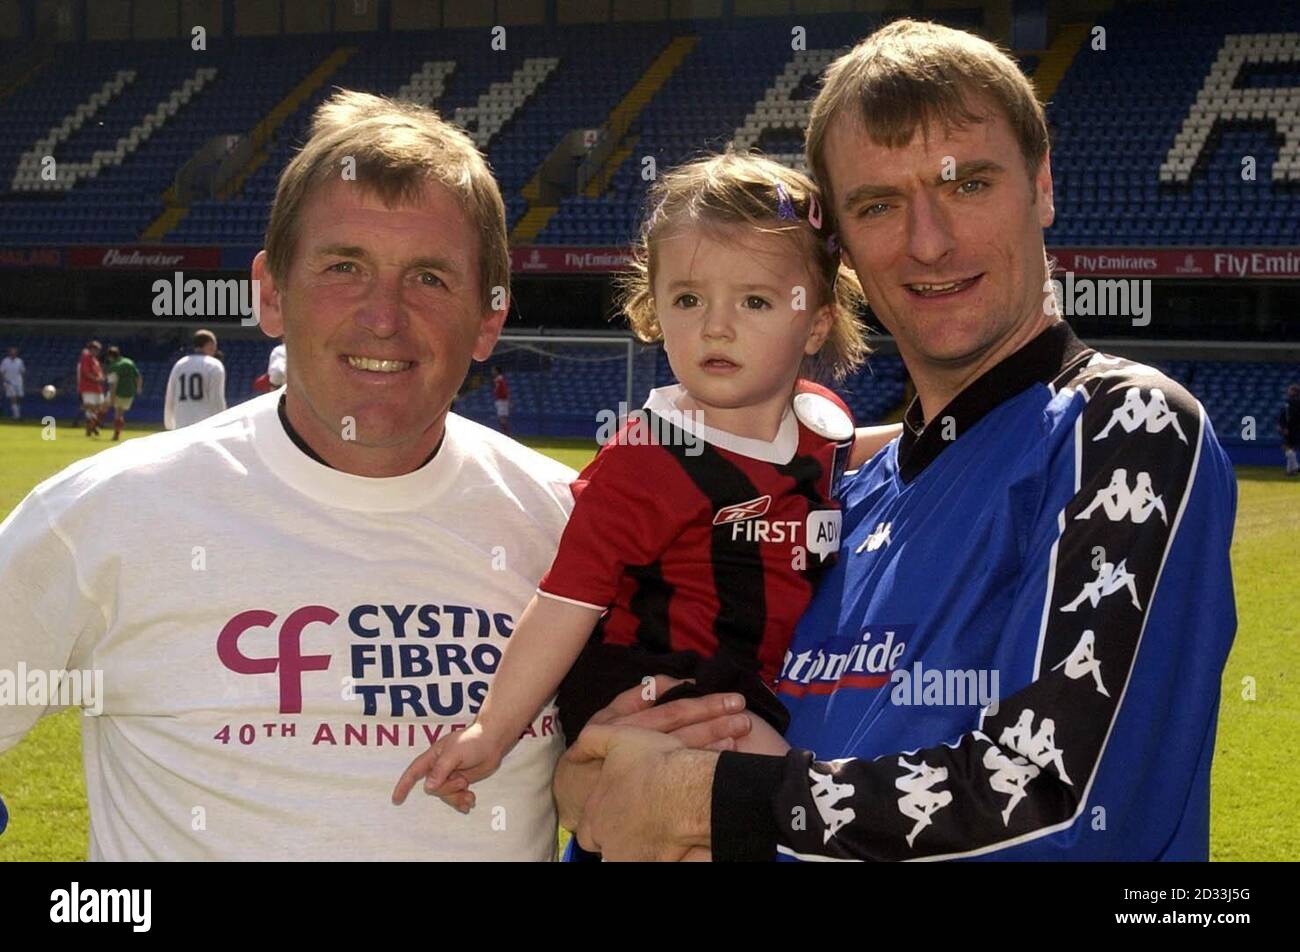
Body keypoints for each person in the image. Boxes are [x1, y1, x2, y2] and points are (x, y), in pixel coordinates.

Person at [0, 90, 752, 861]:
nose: (383, 316)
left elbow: (618, 773)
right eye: (343, 267)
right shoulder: (104, 516)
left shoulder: (573, 526)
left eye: (429, 278)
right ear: (270, 292)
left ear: (490, 317)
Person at [555, 19, 1237, 862]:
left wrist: (714, 800)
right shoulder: (831, 491)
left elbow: (1059, 805)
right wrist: (582, 771)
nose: (929, 241)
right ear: (840, 247)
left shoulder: (1123, 426)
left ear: (1043, 185)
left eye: (969, 185)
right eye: (879, 205)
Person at [392, 153, 899, 810]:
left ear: (816, 323)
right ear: (654, 309)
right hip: (657, 685)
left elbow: (841, 453)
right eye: (688, 299)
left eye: (755, 300)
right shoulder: (647, 459)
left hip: (748, 686)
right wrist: (493, 729)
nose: (716, 326)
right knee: (814, 797)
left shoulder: (818, 422)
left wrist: (948, 429)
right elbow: (564, 604)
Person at [163, 329, 226, 430]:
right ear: (209, 344)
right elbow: (216, 399)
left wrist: (169, 423)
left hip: (181, 423)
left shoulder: (180, 364)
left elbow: (170, 396)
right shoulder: (215, 365)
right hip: (205, 424)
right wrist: (222, 424)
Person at [102, 345, 143, 442]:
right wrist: (139, 388)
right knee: (120, 414)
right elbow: (138, 376)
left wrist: (112, 398)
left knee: (112, 411)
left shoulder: (113, 367)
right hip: (129, 393)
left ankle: (99, 425)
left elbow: (113, 384)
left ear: (110, 356)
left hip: (118, 392)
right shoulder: (129, 362)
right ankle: (117, 433)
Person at [77, 339, 106, 436]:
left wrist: (101, 377)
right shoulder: (86, 358)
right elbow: (85, 372)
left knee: (100, 408)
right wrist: (96, 379)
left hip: (97, 388)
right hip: (88, 387)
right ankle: (90, 429)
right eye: (95, 349)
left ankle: (93, 426)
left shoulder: (95, 360)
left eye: (98, 350)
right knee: (90, 407)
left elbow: (99, 372)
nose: (97, 351)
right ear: (90, 349)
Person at [1279, 382, 1300, 476]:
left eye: (1290, 389)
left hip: (1292, 429)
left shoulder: (1290, 403)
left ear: (1294, 392)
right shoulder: (1290, 402)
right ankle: (1290, 471)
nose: (1288, 391)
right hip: (1295, 429)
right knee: (1291, 449)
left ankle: (1296, 466)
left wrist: (1284, 427)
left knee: (1287, 448)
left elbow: (1287, 416)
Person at [1, 346, 24, 420]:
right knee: (13, 398)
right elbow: (2, 372)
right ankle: (16, 416)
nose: (13, 353)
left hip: (18, 382)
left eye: (14, 352)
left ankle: (17, 413)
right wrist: (4, 380)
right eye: (12, 352)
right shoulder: (5, 361)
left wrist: (22, 381)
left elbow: (22, 371)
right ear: (9, 353)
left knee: (19, 398)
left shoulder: (19, 361)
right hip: (9, 382)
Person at [491, 365, 510, 434]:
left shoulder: (500, 379)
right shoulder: (498, 379)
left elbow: (504, 390)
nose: (492, 372)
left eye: (493, 370)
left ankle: (506, 433)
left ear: (497, 371)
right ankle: (505, 432)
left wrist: (507, 399)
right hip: (500, 400)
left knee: (502, 417)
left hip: (502, 400)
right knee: (501, 417)